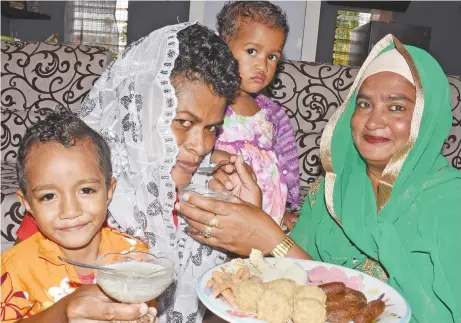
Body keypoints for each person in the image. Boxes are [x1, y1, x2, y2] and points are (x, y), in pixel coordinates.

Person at [178, 35, 461, 322]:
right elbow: (287, 285)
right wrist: (252, 217)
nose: (374, 121)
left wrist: (273, 240)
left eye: (397, 107)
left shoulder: (450, 203)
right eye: (364, 104)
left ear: (427, 118)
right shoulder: (329, 191)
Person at [12, 23, 246, 323]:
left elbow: (218, 303)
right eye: (184, 122)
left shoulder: (201, 195)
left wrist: (240, 222)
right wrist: (64, 311)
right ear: (139, 109)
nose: (201, 147)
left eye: (211, 128)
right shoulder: (74, 202)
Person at [1, 110, 158, 323]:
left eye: (86, 190)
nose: (70, 211)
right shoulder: (14, 267)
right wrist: (61, 313)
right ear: (27, 204)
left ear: (109, 191)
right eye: (48, 196)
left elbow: (147, 311)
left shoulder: (134, 256)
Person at [213, 1, 300, 227]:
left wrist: (286, 211)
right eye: (252, 51)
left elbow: (284, 165)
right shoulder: (212, 103)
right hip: (227, 210)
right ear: (223, 45)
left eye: (272, 56)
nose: (262, 65)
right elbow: (189, 150)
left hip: (268, 218)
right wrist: (219, 159)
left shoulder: (271, 113)